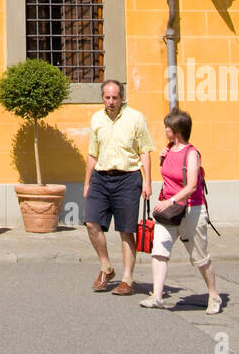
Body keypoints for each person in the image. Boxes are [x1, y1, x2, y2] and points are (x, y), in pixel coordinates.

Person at [140, 109, 221, 314]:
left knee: (200, 257)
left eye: (167, 126)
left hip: (191, 209)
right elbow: (169, 176)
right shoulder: (168, 150)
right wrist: (162, 159)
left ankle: (213, 295)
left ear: (177, 130)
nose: (164, 129)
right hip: (168, 212)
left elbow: (192, 185)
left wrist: (171, 201)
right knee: (159, 251)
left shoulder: (192, 153)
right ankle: (157, 296)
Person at [84, 79, 153, 295]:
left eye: (115, 97)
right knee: (91, 223)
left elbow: (145, 150)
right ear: (102, 98)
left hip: (128, 179)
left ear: (122, 98)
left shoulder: (136, 118)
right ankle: (106, 267)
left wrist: (148, 181)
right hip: (101, 178)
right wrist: (86, 182)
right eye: (107, 97)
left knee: (126, 230)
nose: (111, 101)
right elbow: (92, 153)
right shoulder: (97, 119)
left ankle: (127, 279)